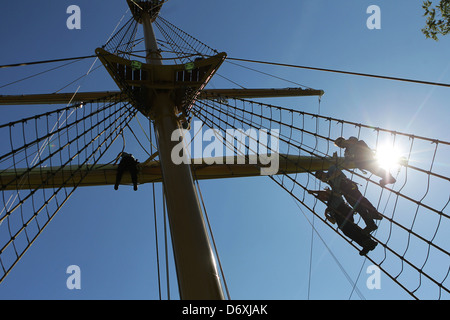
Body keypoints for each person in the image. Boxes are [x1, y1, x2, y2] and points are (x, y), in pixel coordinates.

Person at [308, 188, 378, 256]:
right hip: (339, 219)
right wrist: (326, 214)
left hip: (343, 210)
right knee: (348, 232)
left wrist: (313, 192)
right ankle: (366, 244)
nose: (322, 198)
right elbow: (333, 222)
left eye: (321, 196)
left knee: (351, 228)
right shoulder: (329, 207)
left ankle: (369, 241)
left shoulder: (333, 194)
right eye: (321, 198)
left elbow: (325, 192)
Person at [315, 165, 382, 234]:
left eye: (320, 176)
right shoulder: (330, 183)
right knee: (358, 208)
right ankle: (371, 224)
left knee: (361, 200)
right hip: (344, 193)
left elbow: (338, 172)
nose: (320, 178)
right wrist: (331, 192)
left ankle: (374, 213)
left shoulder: (330, 170)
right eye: (319, 178)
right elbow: (338, 194)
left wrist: (327, 179)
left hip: (347, 185)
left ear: (322, 172)